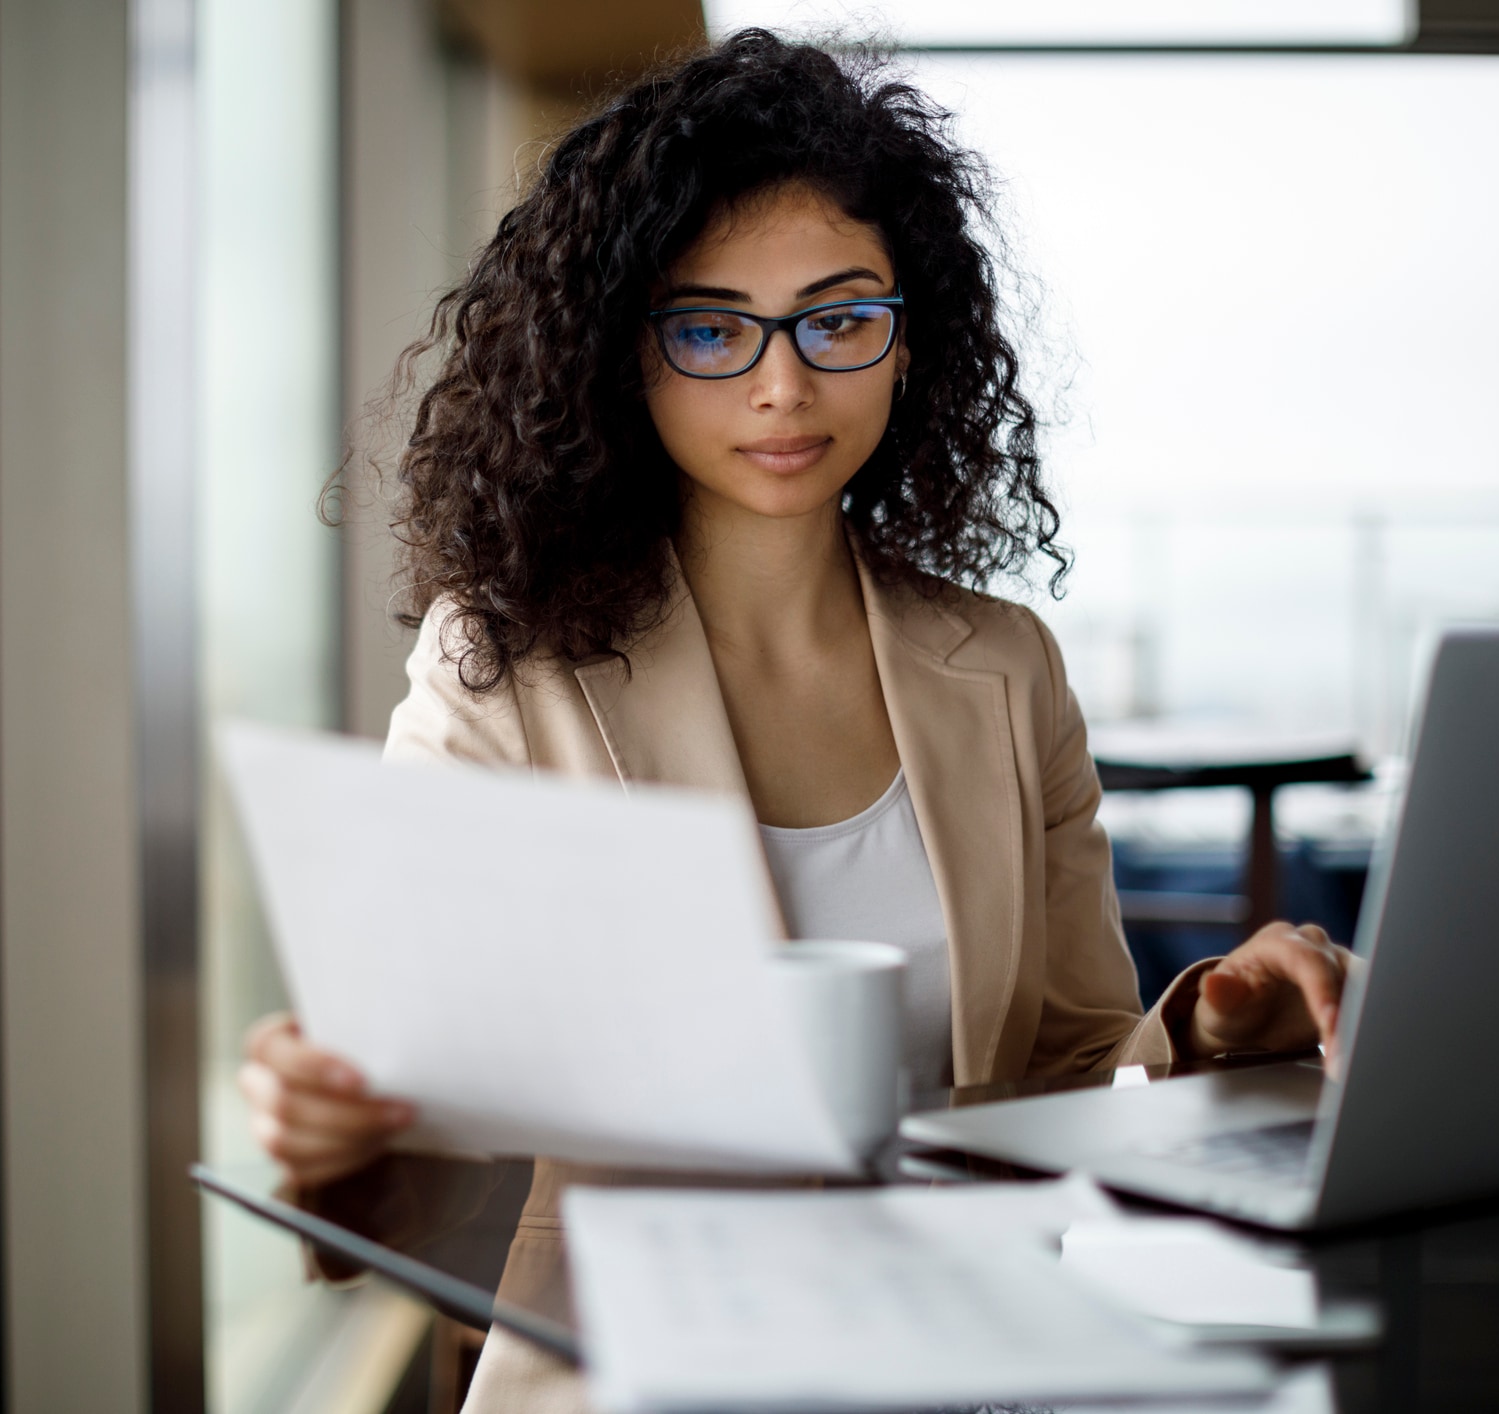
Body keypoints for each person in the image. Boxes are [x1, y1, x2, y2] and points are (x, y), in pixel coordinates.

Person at [238, 29, 1354, 1412]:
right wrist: (343, 1122)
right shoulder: (503, 667)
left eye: (837, 318)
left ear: (907, 338)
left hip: (960, 1369)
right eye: (709, 328)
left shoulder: (1004, 668)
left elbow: (1069, 1064)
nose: (782, 385)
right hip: (630, 1385)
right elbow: (431, 1124)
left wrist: (1211, 1023)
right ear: (618, 354)